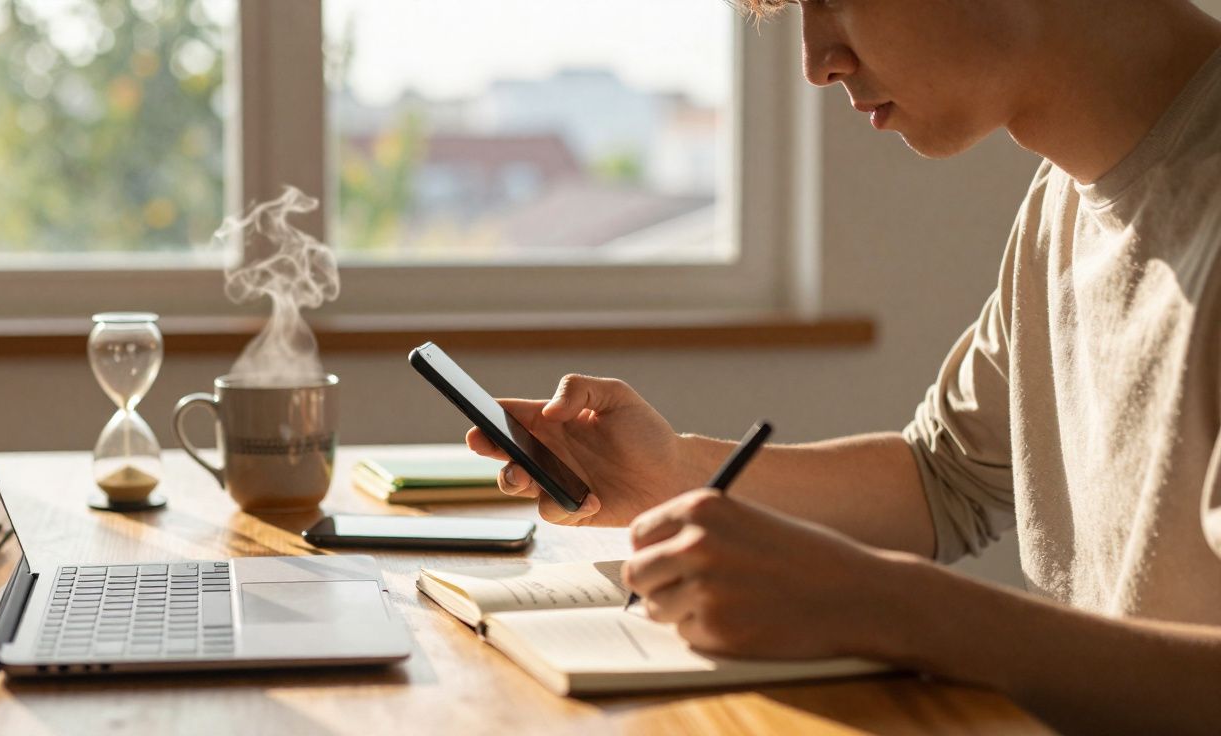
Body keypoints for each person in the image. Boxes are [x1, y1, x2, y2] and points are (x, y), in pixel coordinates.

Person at [464, 1, 1221, 733]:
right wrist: (671, 474)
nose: (817, 64)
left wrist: (896, 609)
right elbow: (945, 479)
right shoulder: (1065, 199)